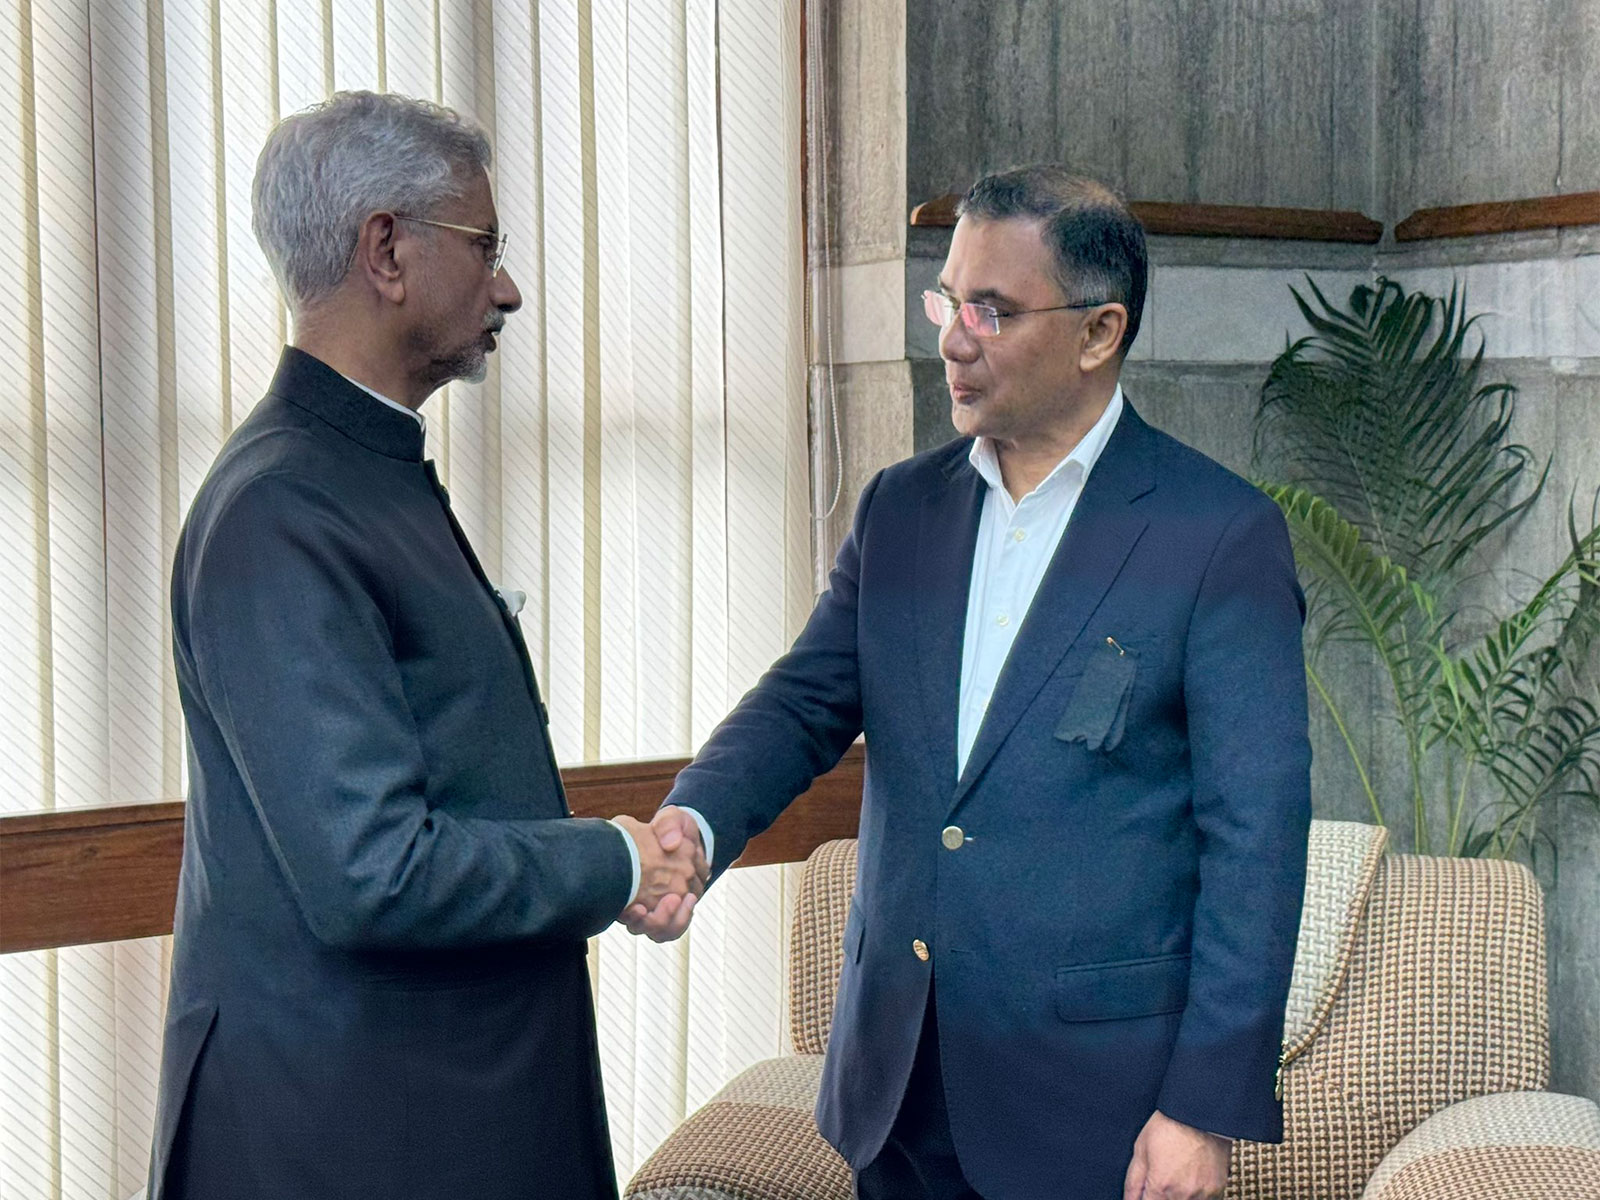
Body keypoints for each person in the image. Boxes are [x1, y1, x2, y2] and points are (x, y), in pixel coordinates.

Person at [627, 166, 1312, 1200]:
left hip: (1097, 1108)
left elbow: (1255, 839)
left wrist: (1202, 1106)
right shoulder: (900, 510)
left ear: (1099, 333)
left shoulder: (1218, 535)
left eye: (991, 310)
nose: (952, 338)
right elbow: (802, 705)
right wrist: (697, 823)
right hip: (896, 1085)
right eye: (947, 300)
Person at [145, 91, 705, 1200]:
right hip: (354, 1131)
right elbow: (372, 872)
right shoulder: (281, 507)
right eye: (485, 245)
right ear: (387, 251)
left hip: (427, 1105)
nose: (507, 287)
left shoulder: (356, 468)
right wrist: (614, 861)